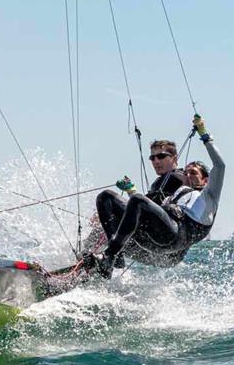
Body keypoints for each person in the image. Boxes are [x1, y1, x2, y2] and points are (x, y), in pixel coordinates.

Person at [90, 114, 225, 278]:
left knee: (138, 201)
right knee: (106, 197)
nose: (187, 175)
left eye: (193, 173)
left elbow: (220, 165)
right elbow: (148, 213)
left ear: (205, 180)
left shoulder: (208, 196)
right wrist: (130, 193)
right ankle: (95, 263)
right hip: (152, 243)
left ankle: (109, 257)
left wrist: (204, 134)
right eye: (186, 172)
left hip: (173, 240)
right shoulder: (177, 195)